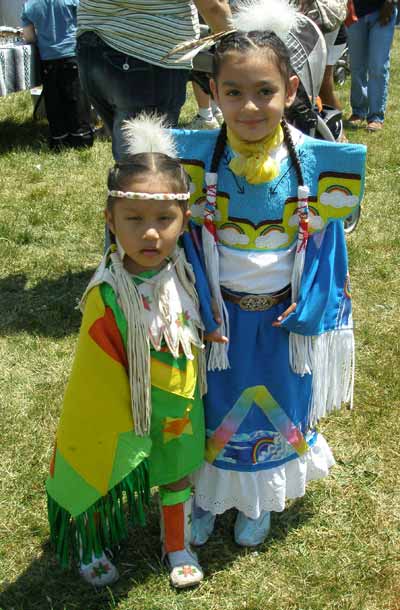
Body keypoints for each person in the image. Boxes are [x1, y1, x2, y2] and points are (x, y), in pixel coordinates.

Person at [172, 0, 366, 547]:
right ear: (212, 92)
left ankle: (258, 502)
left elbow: (328, 250)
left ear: (293, 93)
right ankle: (209, 498)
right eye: (234, 92)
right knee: (213, 411)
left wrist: (313, 309)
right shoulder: (191, 160)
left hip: (283, 320)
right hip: (218, 323)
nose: (250, 106)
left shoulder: (318, 164)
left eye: (265, 92)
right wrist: (192, 311)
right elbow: (178, 241)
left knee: (276, 409)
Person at [46, 115, 215, 589]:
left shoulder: (185, 273)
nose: (150, 234)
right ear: (110, 219)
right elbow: (94, 377)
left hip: (177, 405)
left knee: (178, 472)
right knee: (110, 471)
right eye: (134, 220)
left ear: (185, 219)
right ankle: (91, 540)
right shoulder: (108, 293)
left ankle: (176, 543)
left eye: (164, 219)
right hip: (122, 408)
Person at [76, 0, 232, 160]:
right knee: (147, 166)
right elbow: (213, 7)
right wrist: (239, 47)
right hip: (145, 54)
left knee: (130, 157)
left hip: (93, 46)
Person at [21, 0, 93, 150]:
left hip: (48, 58)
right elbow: (86, 21)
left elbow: (29, 37)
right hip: (72, 52)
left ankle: (59, 139)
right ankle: (81, 138)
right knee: (76, 98)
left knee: (54, 100)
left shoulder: (30, 5)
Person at [346, 0, 398, 132]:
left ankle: (376, 116)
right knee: (356, 66)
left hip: (383, 10)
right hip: (355, 11)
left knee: (378, 66)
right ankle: (358, 111)